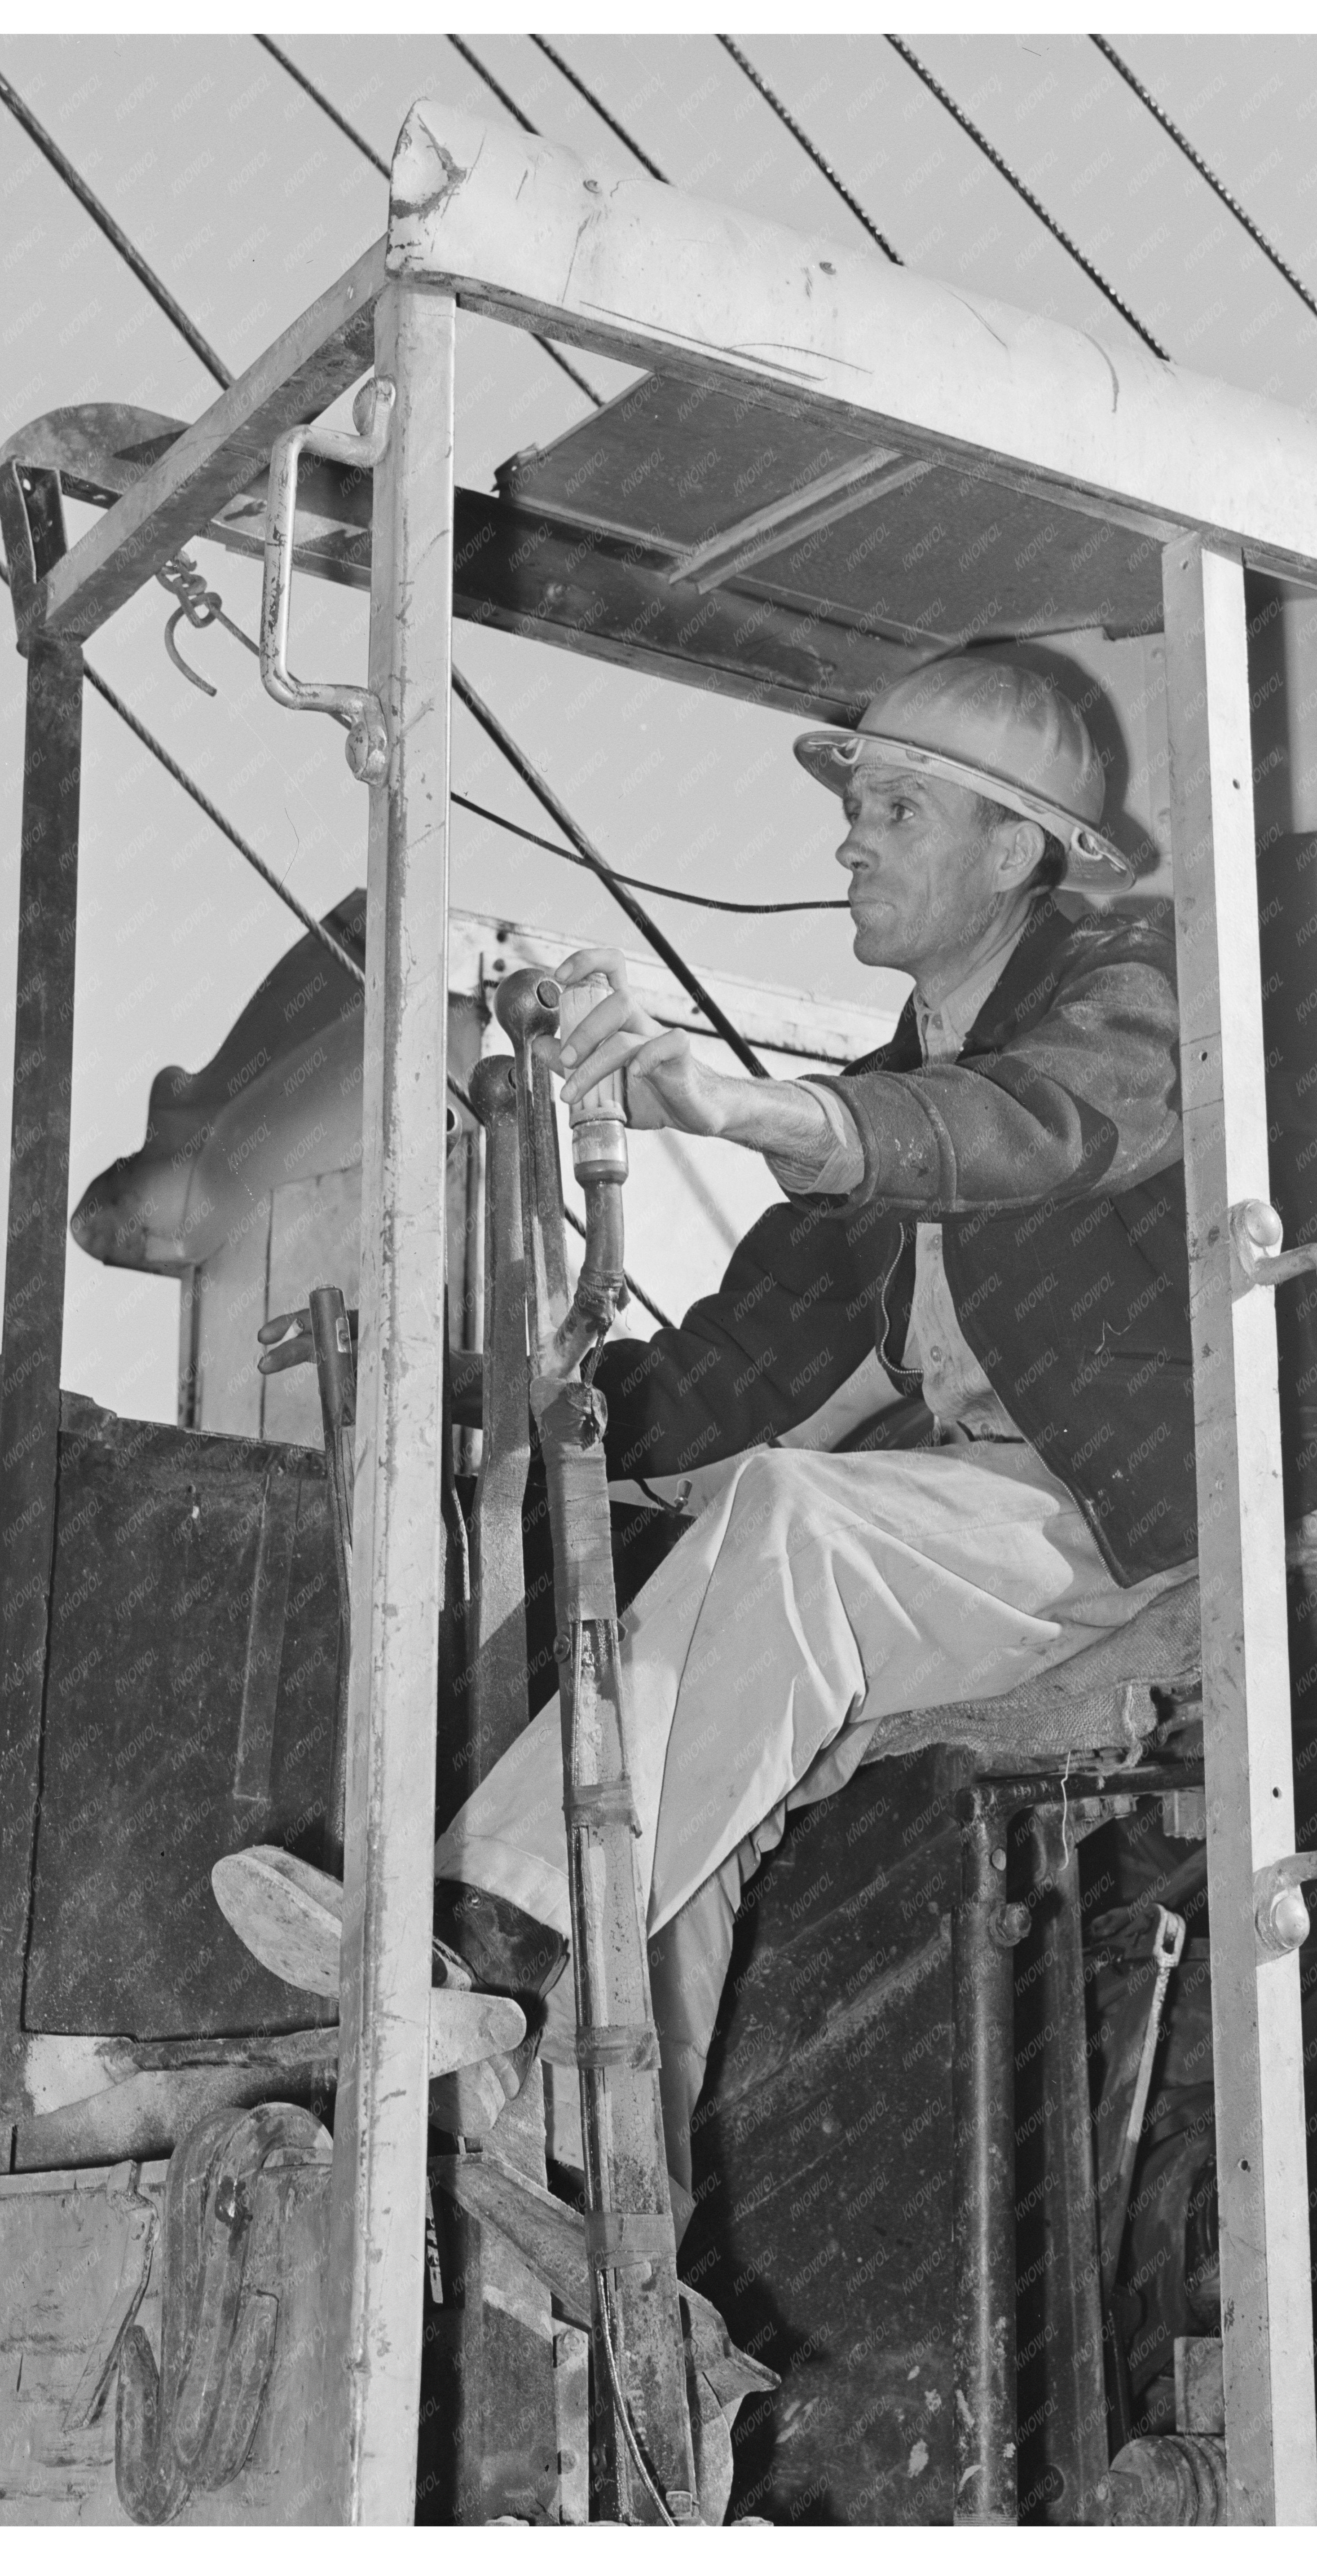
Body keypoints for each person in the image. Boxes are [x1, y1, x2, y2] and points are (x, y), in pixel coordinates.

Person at [223, 654, 1200, 2229]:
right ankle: (599, 2269)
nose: (847, 844)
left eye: (895, 807)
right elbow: (742, 1358)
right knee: (669, 1827)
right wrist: (514, 1412)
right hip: (977, 1547)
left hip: (1136, 1531)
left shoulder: (1137, 996)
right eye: (852, 805)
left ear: (1016, 848)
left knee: (792, 1518)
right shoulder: (900, 1080)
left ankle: (474, 1927)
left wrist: (742, 1107)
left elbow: (1041, 1124)